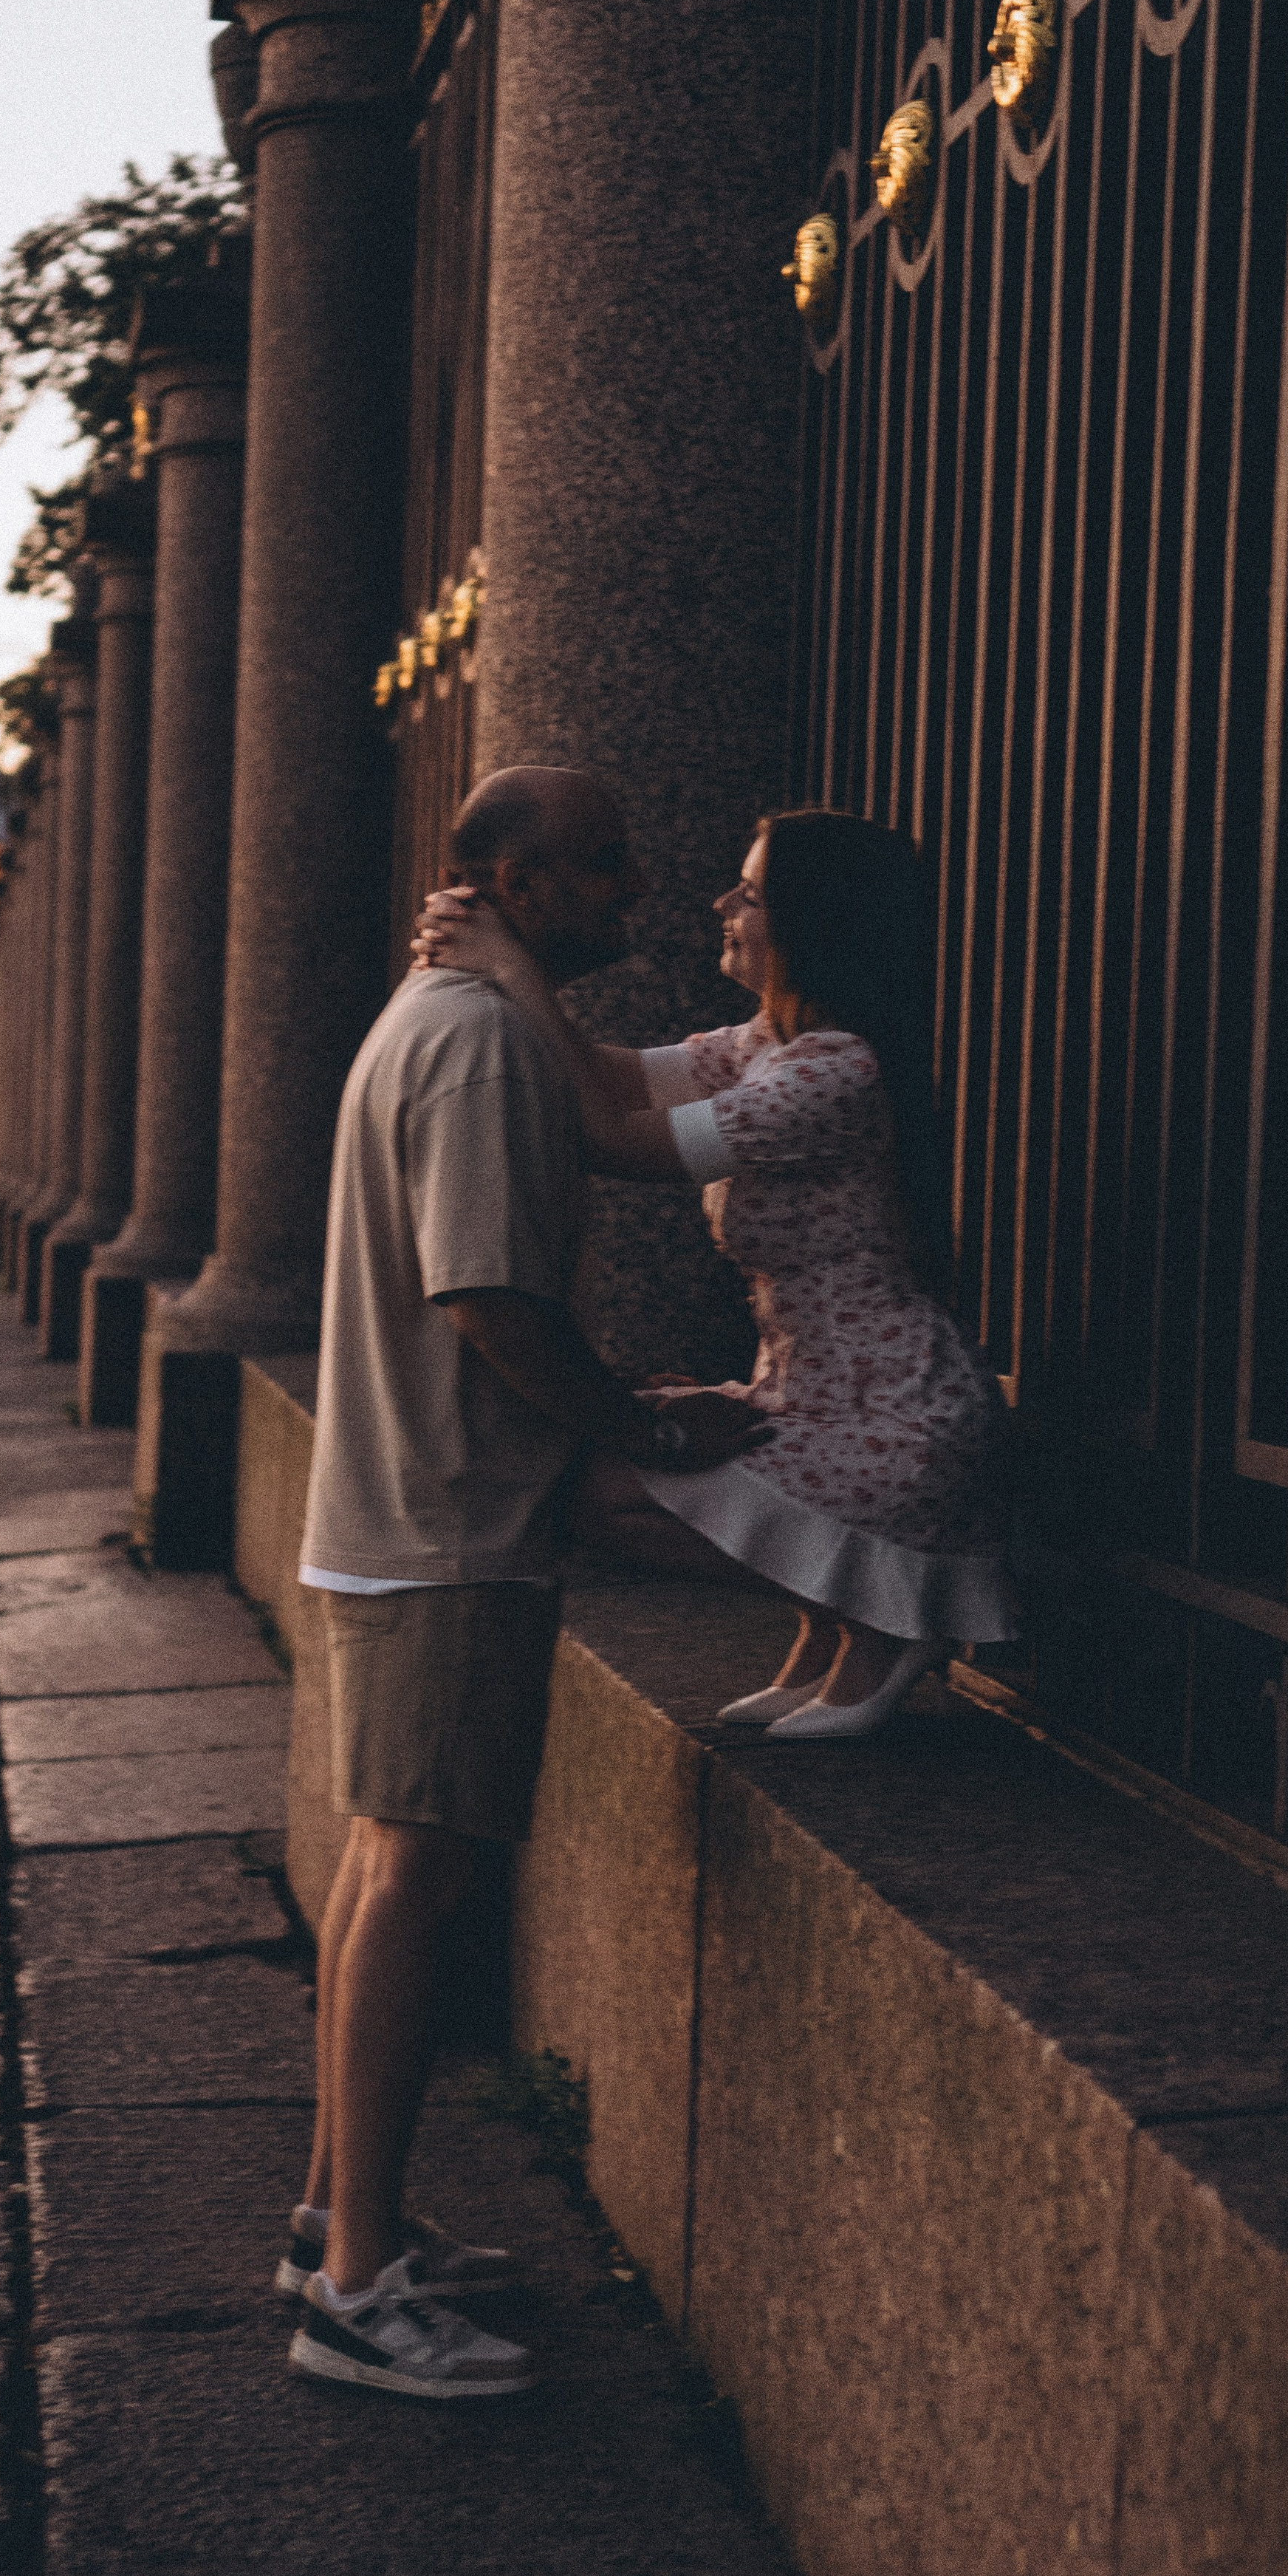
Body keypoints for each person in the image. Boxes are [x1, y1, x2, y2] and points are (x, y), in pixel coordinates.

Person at [287, 765, 769, 2403]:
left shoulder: (442, 1010)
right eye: (595, 868)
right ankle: (355, 2292)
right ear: (495, 874)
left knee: (378, 1869)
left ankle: (332, 2219)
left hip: (395, 1504)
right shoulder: (484, 1040)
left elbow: (625, 1120)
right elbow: (488, 1293)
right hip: (446, 1519)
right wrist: (629, 1421)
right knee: (412, 1883)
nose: (631, 891)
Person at [417, 806, 1018, 1738]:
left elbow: (614, 1135)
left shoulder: (837, 1071)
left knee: (613, 1495)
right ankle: (835, 1618)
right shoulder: (761, 1048)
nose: (723, 901)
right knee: (608, 1478)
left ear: (816, 919)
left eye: (753, 890)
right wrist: (510, 968)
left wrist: (512, 969)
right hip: (819, 1393)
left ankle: (884, 1614)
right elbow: (612, 1081)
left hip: (897, 1415)